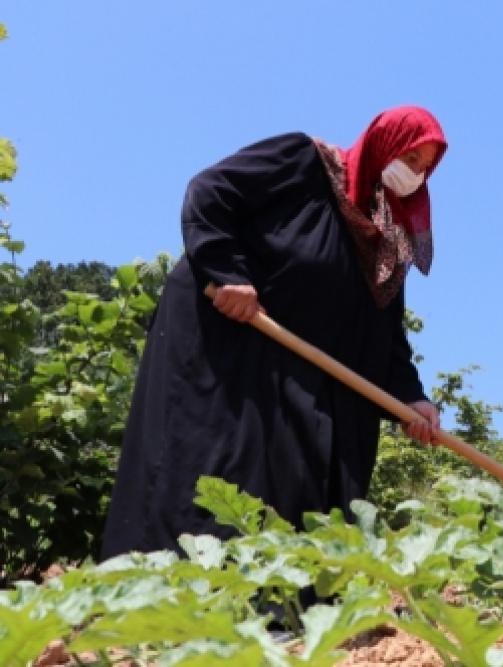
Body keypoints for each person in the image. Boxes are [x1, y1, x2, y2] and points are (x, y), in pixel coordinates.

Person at [101, 106, 447, 558]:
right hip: (229, 333)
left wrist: (410, 398)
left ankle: (293, 606)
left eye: (424, 168)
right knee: (219, 464)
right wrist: (227, 273)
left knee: (316, 465)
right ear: (384, 143)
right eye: (410, 157)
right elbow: (211, 191)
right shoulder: (305, 162)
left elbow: (384, 329)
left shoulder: (385, 239)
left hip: (302, 368)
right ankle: (167, 597)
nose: (414, 175)